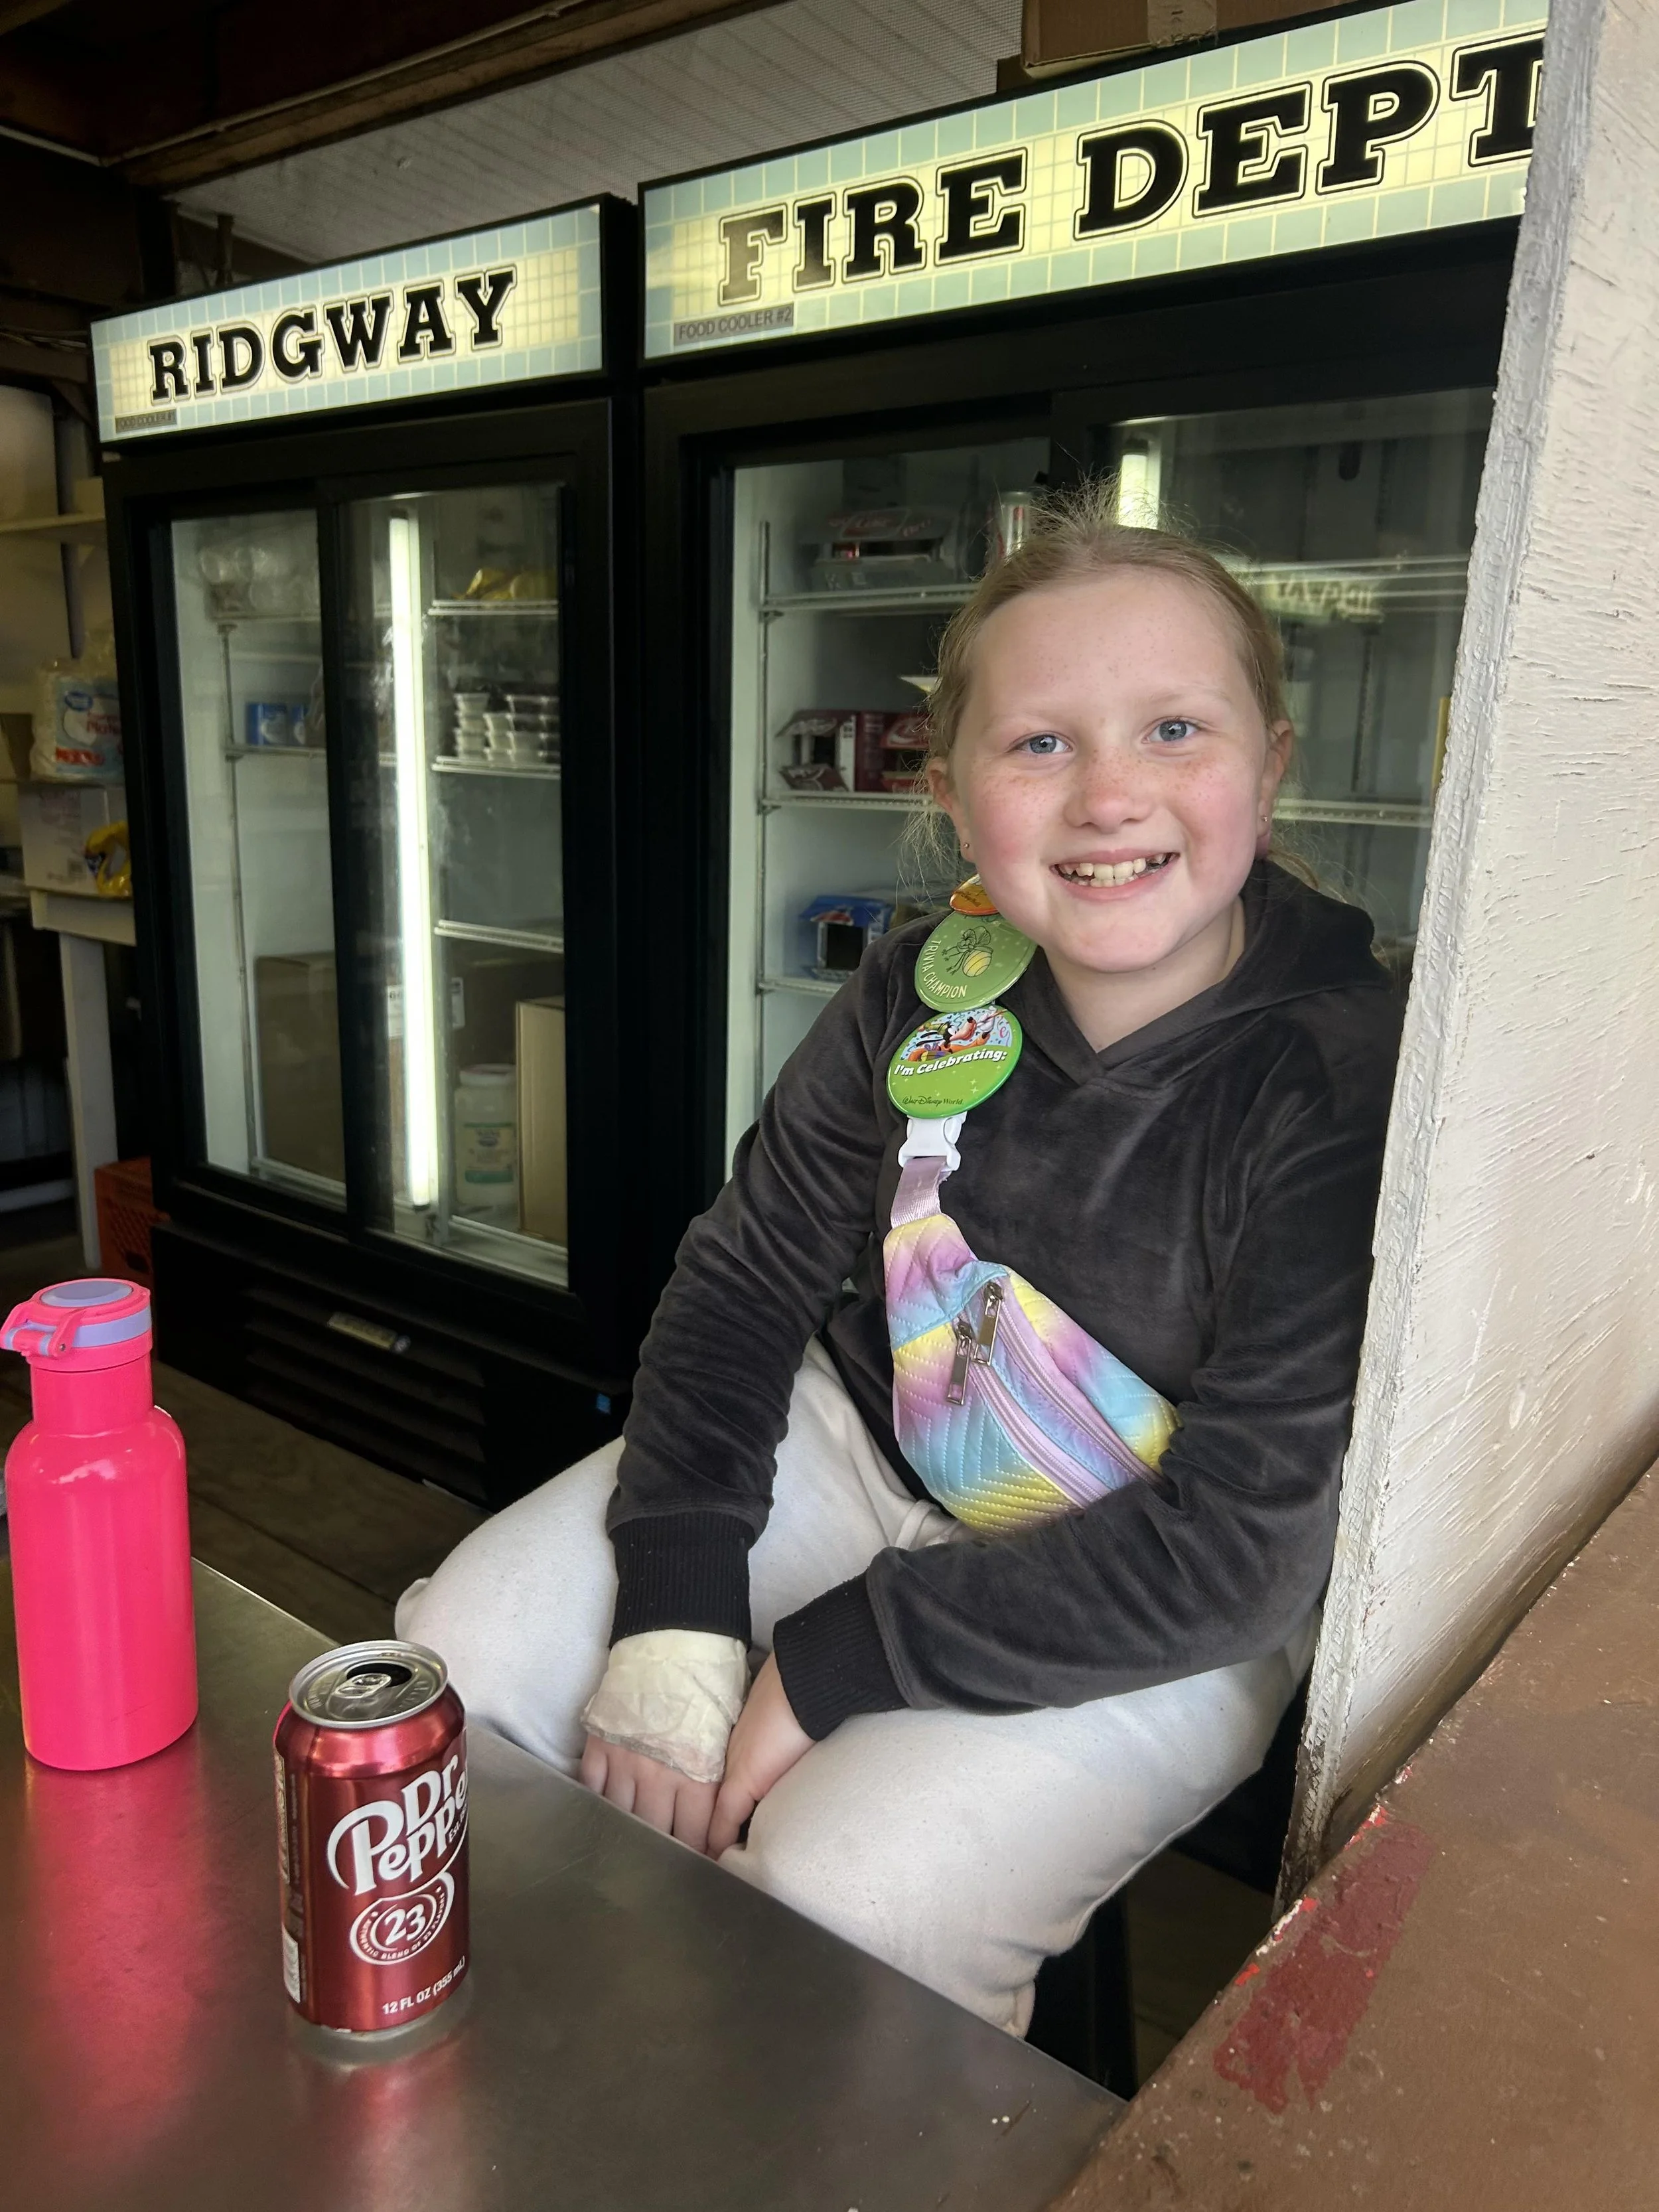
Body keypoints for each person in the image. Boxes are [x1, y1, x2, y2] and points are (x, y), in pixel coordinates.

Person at [398, 482, 1401, 2035]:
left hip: (1153, 1569)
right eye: (1039, 741)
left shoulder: (1330, 1076)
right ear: (949, 790)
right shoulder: (930, 985)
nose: (1107, 795)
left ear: (1270, 765)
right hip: (870, 1442)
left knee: (843, 1902)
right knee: (465, 1652)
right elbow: (741, 1286)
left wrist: (821, 1662)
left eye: (1174, 731)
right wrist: (676, 1602)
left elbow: (1238, 1551)